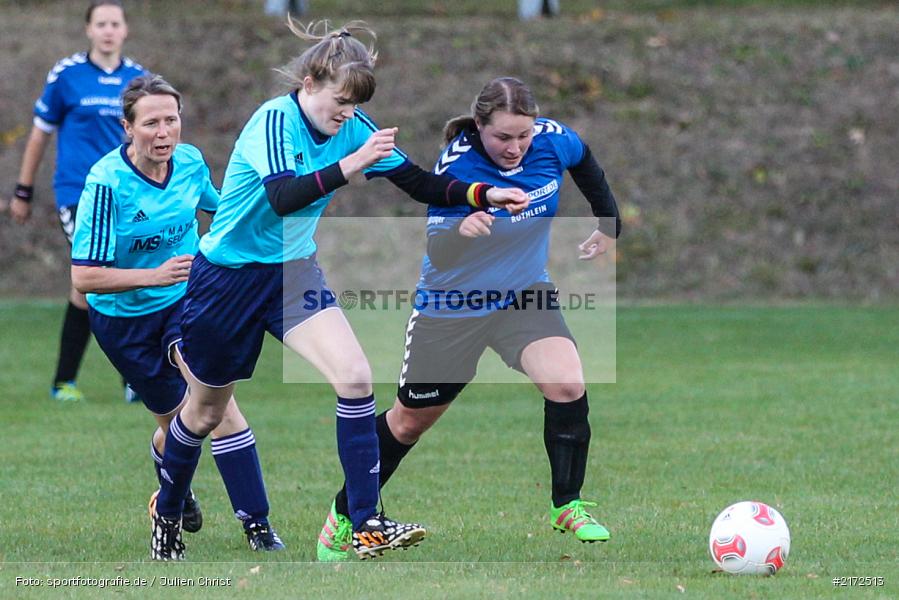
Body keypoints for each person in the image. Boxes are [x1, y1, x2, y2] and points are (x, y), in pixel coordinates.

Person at [149, 21, 530, 561]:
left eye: (355, 106)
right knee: (205, 413)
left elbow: (418, 181)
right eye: (340, 101)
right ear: (309, 82)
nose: (347, 114)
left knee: (354, 377)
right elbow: (283, 197)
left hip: (292, 273)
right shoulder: (273, 122)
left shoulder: (350, 125)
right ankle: (166, 513)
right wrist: (350, 166)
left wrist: (482, 192)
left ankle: (365, 521)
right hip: (227, 280)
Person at [318, 77, 621, 561]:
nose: (515, 147)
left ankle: (567, 503)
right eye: (503, 137)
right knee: (408, 423)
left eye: (523, 136)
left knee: (566, 381)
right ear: (479, 127)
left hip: (523, 294)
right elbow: (440, 250)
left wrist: (609, 223)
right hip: (451, 308)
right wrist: (463, 229)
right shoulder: (458, 167)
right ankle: (344, 514)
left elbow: (586, 163)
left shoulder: (552, 139)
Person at [70, 75, 284, 560]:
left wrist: (282, 199)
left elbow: (223, 205)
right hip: (124, 322)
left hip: (187, 302)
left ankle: (258, 525)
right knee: (176, 424)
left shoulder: (188, 163)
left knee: (217, 405)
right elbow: (84, 278)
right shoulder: (106, 183)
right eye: (151, 123)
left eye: (171, 120)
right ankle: (173, 485)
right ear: (127, 128)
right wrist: (154, 273)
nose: (164, 132)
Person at [4, 0, 147, 403]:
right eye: (100, 23)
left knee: (88, 289)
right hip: (78, 195)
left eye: (114, 23)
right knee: (101, 276)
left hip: (127, 196)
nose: (107, 30)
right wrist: (23, 190)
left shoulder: (139, 80)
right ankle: (115, 379)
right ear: (88, 29)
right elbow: (39, 134)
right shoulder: (66, 75)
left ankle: (75, 381)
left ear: (125, 30)